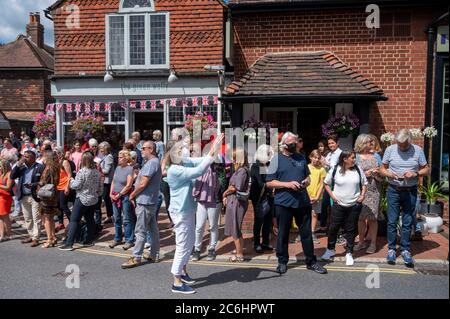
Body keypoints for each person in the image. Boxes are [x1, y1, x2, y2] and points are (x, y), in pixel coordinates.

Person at [166, 134, 223, 294]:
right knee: (182, 245)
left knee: (190, 242)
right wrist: (212, 150)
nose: (185, 151)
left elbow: (203, 160)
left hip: (189, 209)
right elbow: (199, 170)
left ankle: (183, 272)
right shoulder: (175, 170)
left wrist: (213, 150)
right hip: (180, 212)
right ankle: (176, 283)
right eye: (181, 149)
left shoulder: (184, 162)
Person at [266, 132, 327, 275]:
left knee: (306, 234)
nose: (296, 144)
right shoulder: (276, 159)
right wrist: (287, 184)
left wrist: (306, 182)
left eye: (296, 142)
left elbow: (308, 178)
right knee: (283, 234)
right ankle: (282, 261)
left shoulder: (300, 158)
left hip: (303, 202)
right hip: (284, 203)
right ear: (284, 144)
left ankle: (311, 261)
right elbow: (269, 182)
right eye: (293, 142)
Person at [380, 129, 429, 267]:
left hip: (410, 191)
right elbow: (382, 169)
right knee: (392, 220)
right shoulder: (390, 149)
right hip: (393, 190)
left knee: (407, 221)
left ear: (410, 141)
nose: (401, 147)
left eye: (404, 145)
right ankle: (391, 249)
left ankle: (405, 250)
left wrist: (416, 173)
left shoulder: (418, 150)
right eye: (399, 144)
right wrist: (390, 175)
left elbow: (427, 169)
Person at [320, 151, 368, 266]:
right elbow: (326, 183)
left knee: (351, 229)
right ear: (345, 159)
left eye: (354, 158)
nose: (354, 160)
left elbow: (364, 183)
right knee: (333, 228)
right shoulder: (335, 169)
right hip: (338, 205)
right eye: (352, 158)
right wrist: (333, 197)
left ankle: (349, 253)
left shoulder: (358, 169)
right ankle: (330, 250)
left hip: (354, 205)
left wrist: (362, 196)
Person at [121, 141, 162, 268]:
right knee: (153, 229)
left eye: (144, 148)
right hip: (150, 200)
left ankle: (136, 257)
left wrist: (132, 194)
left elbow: (143, 184)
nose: (142, 150)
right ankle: (154, 254)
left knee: (140, 230)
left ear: (151, 149)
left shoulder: (151, 163)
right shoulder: (154, 162)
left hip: (144, 201)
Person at [59, 151, 103, 251]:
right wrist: (96, 194)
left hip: (82, 199)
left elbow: (75, 185)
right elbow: (100, 189)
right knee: (90, 219)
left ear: (83, 160)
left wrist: (70, 180)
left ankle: (69, 243)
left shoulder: (82, 171)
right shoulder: (97, 172)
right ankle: (88, 240)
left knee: (74, 220)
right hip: (93, 199)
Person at [354, 134, 383, 254]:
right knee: (361, 218)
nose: (371, 144)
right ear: (361, 143)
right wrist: (365, 174)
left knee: (373, 218)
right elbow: (352, 173)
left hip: (375, 190)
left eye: (371, 142)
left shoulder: (376, 156)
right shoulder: (356, 157)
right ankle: (361, 242)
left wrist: (377, 173)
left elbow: (383, 173)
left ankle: (373, 243)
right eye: (368, 142)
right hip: (360, 191)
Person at [11, 150, 44, 247]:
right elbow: (12, 176)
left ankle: (36, 238)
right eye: (24, 156)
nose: (24, 158)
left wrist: (33, 185)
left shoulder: (40, 167)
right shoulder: (21, 167)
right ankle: (31, 235)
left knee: (36, 218)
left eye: (27, 157)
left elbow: (44, 181)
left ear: (33, 158)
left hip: (35, 196)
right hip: (24, 196)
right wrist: (18, 164)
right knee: (28, 218)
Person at [191, 160, 222, 262]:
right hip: (202, 200)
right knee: (199, 226)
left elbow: (222, 183)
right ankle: (197, 248)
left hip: (215, 200)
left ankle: (212, 248)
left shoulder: (219, 169)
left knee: (213, 226)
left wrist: (214, 175)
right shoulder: (201, 168)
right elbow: (196, 181)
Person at [250, 144, 275, 254]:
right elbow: (261, 183)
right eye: (268, 154)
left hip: (269, 196)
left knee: (268, 221)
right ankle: (256, 243)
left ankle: (265, 242)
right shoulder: (256, 166)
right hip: (259, 198)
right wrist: (272, 185)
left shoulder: (268, 165)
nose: (270, 156)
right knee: (259, 221)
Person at [33, 151, 60, 248]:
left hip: (46, 196)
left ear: (48, 158)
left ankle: (49, 239)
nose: (42, 158)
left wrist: (33, 185)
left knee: (46, 218)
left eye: (44, 157)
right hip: (53, 195)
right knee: (51, 217)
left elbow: (43, 183)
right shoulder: (56, 167)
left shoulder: (48, 169)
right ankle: (53, 237)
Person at [109, 150, 135, 250]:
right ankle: (117, 238)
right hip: (115, 196)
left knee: (127, 219)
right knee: (116, 218)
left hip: (124, 197)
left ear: (126, 158)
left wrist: (119, 194)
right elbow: (113, 182)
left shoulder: (130, 169)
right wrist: (111, 193)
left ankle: (129, 240)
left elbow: (129, 185)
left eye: (121, 157)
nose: (119, 159)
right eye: (118, 157)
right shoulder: (117, 168)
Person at [319, 134, 343, 237]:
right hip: (328, 183)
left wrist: (327, 164)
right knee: (326, 205)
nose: (330, 145)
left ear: (337, 143)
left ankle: (338, 231)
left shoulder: (341, 154)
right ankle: (328, 227)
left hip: (336, 184)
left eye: (332, 143)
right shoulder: (329, 154)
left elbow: (339, 167)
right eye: (329, 143)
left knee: (335, 207)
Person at [307, 149, 327, 244]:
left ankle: (312, 232)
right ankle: (303, 232)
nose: (316, 159)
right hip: (306, 196)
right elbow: (304, 182)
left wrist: (317, 196)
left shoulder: (322, 169)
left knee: (315, 214)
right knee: (305, 215)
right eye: (315, 157)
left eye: (318, 158)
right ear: (310, 157)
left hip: (317, 196)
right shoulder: (306, 167)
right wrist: (308, 196)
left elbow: (322, 184)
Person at [55, 148, 74, 233]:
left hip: (64, 186)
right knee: (58, 206)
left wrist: (67, 187)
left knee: (63, 205)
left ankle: (72, 221)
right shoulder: (56, 162)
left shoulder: (65, 162)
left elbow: (70, 175)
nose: (55, 154)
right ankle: (61, 223)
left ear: (60, 153)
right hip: (57, 187)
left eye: (56, 153)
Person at [98, 142, 114, 225]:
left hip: (107, 181)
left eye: (102, 149)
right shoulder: (104, 156)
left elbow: (106, 171)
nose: (100, 150)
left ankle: (109, 216)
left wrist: (98, 168)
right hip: (104, 181)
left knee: (106, 198)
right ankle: (110, 215)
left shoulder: (109, 157)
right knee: (106, 198)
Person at [0, 159, 14, 241]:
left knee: (5, 216)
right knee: (0, 217)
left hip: (5, 198)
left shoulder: (9, 174)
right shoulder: (1, 173)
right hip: (0, 196)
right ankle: (2, 235)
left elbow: (8, 187)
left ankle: (9, 234)